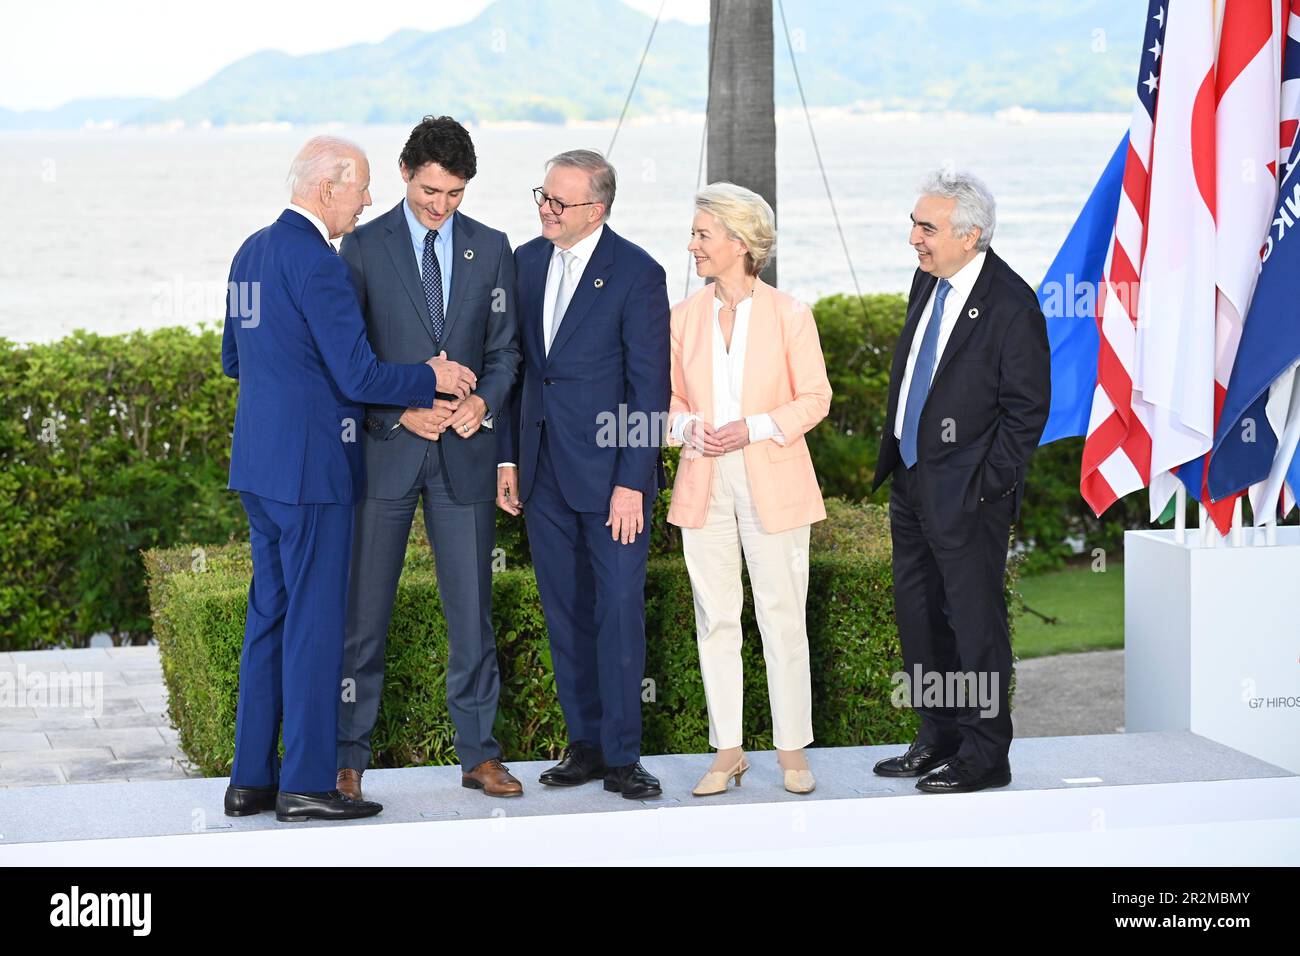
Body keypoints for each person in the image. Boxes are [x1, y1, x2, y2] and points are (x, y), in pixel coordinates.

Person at [220, 135, 477, 822]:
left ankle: (251, 781)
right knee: (313, 627)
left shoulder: (251, 251)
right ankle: (306, 784)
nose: (368, 200)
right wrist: (433, 376)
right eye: (360, 186)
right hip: (312, 476)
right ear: (327, 187)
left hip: (259, 470)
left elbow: (233, 360)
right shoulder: (321, 265)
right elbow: (358, 375)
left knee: (268, 619)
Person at [335, 116, 522, 801]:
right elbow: (347, 361)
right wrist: (399, 409)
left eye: (455, 195)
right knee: (363, 618)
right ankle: (346, 759)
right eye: (431, 192)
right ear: (406, 172)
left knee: (471, 615)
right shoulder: (360, 247)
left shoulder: (492, 248)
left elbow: (506, 352)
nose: (441, 207)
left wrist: (483, 406)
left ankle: (479, 755)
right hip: (386, 453)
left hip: (465, 458)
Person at [496, 149, 670, 800]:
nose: (545, 208)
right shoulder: (525, 261)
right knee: (565, 613)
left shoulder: (638, 273)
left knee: (619, 615)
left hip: (612, 483)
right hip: (541, 475)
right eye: (542, 195)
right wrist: (508, 458)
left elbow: (650, 387)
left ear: (595, 210)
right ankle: (586, 746)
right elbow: (515, 368)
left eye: (558, 202)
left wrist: (632, 482)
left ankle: (625, 756)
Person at [870, 168, 1050, 794]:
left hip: (969, 495)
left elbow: (1026, 410)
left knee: (974, 624)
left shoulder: (1011, 304)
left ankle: (985, 753)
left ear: (970, 235)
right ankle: (937, 736)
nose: (914, 239)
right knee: (919, 617)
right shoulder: (928, 281)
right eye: (914, 224)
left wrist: (986, 486)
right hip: (911, 481)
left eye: (927, 227)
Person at [666, 182, 832, 796]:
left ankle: (793, 752)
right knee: (715, 618)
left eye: (703, 235)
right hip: (702, 479)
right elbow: (668, 403)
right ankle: (727, 751)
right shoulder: (681, 317)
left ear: (740, 242)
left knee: (782, 616)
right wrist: (690, 428)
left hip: (774, 477)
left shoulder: (790, 314)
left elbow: (816, 397)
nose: (692, 246)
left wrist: (754, 428)